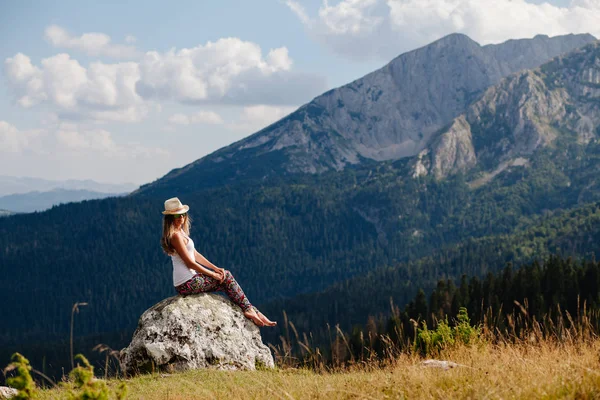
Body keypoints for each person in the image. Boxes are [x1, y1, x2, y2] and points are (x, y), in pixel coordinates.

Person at [160, 197, 276, 327]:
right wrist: (212, 274)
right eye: (177, 215)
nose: (181, 218)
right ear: (170, 218)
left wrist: (216, 268)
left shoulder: (180, 231)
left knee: (226, 279)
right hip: (186, 282)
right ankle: (250, 310)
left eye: (183, 214)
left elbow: (195, 255)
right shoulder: (175, 236)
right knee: (226, 278)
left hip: (190, 279)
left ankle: (253, 310)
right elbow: (190, 263)